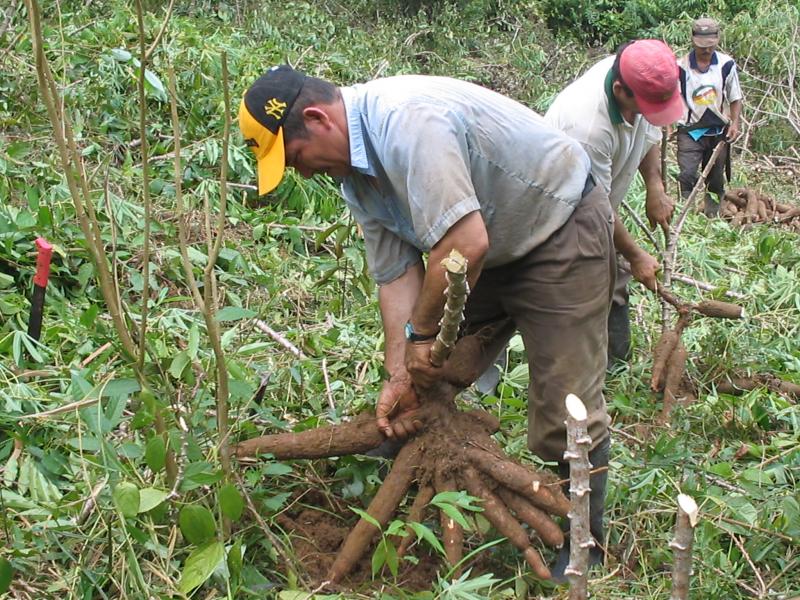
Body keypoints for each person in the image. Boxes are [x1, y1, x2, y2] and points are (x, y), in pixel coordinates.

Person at [238, 65, 614, 579]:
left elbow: (463, 243)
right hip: (483, 250)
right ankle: (416, 462)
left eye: (296, 158)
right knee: (435, 374)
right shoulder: (355, 176)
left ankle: (583, 539)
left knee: (563, 407)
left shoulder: (409, 123)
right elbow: (396, 276)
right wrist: (401, 371)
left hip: (558, 230)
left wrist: (421, 334)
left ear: (317, 118)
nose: (301, 173)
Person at [545, 39, 683, 364]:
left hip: (596, 208)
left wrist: (655, 185)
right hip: (558, 213)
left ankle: (616, 367)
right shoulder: (586, 127)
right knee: (572, 288)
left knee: (613, 276)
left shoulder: (641, 80)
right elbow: (597, 203)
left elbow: (651, 127)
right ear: (620, 91)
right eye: (645, 107)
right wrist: (636, 255)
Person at [677, 17, 743, 217]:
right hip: (690, 130)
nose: (706, 50)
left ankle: (712, 218)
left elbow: (735, 96)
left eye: (709, 46)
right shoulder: (680, 66)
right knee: (687, 175)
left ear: (717, 40)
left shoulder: (726, 64)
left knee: (715, 179)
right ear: (692, 40)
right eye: (701, 46)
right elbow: (672, 96)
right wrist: (670, 126)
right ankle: (685, 218)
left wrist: (735, 123)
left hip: (717, 129)